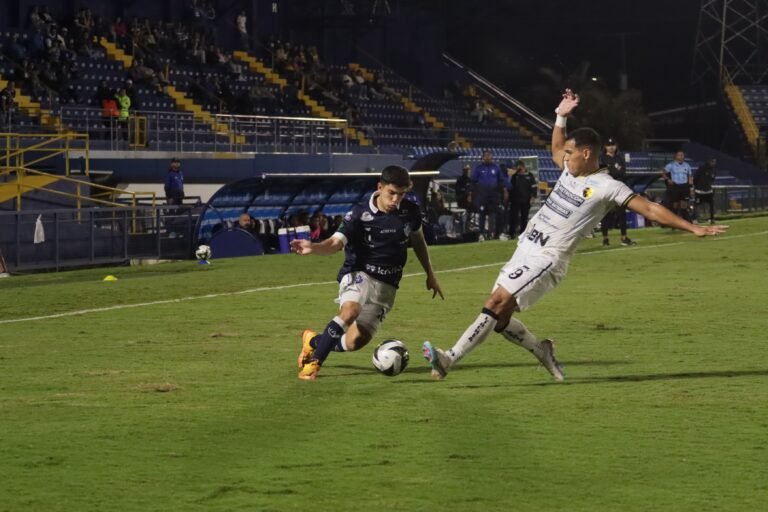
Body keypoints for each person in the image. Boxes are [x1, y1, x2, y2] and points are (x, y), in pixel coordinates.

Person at [422, 89, 728, 382]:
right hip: (526, 248)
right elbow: (556, 147)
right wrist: (560, 116)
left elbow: (648, 208)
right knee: (500, 318)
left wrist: (692, 227)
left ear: (586, 153)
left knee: (496, 301)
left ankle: (449, 358)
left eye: (571, 153)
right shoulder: (571, 169)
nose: (563, 158)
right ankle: (541, 350)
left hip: (549, 257)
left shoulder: (608, 186)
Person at [290, 165, 444, 380]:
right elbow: (335, 243)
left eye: (401, 194)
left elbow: (418, 241)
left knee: (355, 342)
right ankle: (314, 363)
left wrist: (430, 274)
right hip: (359, 272)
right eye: (391, 193)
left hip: (388, 283)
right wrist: (313, 247)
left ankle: (313, 341)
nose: (396, 200)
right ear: (380, 187)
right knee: (350, 310)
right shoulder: (358, 214)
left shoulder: (410, 211)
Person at [599, 137, 635, 246]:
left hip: (618, 188)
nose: (611, 147)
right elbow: (603, 173)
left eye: (613, 145)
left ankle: (624, 237)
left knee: (621, 213)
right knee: (605, 214)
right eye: (609, 145)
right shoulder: (602, 158)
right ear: (605, 147)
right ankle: (605, 239)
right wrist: (614, 173)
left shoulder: (620, 158)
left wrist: (612, 172)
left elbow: (623, 173)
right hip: (606, 188)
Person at [472, 151, 507, 240]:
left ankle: (500, 233)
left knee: (499, 213)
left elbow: (501, 180)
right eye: (486, 156)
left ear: (491, 157)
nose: (488, 157)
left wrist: (504, 190)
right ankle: (481, 234)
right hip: (483, 196)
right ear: (483, 157)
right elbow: (473, 181)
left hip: (494, 195)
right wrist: (475, 193)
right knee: (482, 214)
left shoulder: (496, 168)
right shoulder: (478, 169)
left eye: (489, 155)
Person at [507, 160, 538, 239]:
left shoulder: (529, 175)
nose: (519, 168)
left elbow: (534, 187)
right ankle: (511, 233)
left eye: (520, 166)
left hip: (525, 200)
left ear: (523, 166)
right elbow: (509, 186)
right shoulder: (514, 176)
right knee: (513, 218)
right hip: (515, 200)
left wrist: (533, 197)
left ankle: (522, 233)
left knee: (524, 217)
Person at [662, 150, 693, 219]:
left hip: (684, 186)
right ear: (676, 156)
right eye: (679, 155)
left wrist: (691, 187)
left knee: (684, 205)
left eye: (682, 155)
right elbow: (663, 173)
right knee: (675, 205)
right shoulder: (671, 165)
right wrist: (668, 179)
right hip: (675, 186)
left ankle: (686, 221)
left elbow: (690, 176)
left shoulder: (687, 165)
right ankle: (674, 220)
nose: (681, 156)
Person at [694, 158, 717, 224]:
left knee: (711, 204)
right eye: (713, 161)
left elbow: (713, 179)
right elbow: (696, 178)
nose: (714, 163)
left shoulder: (714, 170)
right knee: (696, 205)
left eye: (714, 162)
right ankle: (694, 218)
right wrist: (696, 186)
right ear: (709, 161)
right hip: (699, 191)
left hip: (708, 191)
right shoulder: (701, 168)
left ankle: (712, 218)